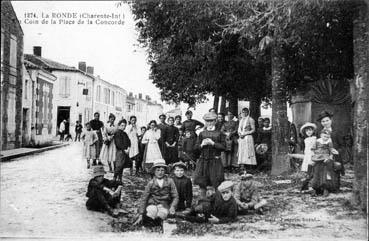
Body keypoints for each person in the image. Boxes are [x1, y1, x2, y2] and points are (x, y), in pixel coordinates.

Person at [135, 161, 178, 225]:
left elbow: (175, 196)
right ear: (154, 171)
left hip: (164, 205)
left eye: (162, 170)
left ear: (165, 171)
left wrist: (172, 206)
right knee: (151, 212)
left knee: (161, 215)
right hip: (153, 204)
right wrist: (141, 213)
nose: (160, 172)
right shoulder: (151, 183)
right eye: (157, 170)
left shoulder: (170, 181)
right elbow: (144, 198)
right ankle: (147, 220)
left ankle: (157, 222)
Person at [194, 112, 226, 198]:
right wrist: (202, 145)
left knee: (216, 181)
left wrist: (213, 143)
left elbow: (224, 147)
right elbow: (196, 148)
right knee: (202, 182)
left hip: (215, 161)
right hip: (204, 161)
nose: (209, 123)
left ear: (215, 121)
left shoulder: (219, 133)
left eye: (211, 121)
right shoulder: (202, 133)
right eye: (207, 121)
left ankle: (217, 201)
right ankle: (203, 201)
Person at [315, 110, 345, 192]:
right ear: (321, 123)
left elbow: (343, 146)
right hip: (322, 157)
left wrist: (338, 151)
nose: (325, 123)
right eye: (323, 121)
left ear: (331, 120)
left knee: (335, 172)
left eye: (327, 120)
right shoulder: (319, 133)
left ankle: (334, 187)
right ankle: (323, 187)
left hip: (335, 157)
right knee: (322, 172)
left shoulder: (337, 132)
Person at [288, 122, 317, 191]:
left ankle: (310, 184)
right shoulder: (305, 140)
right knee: (307, 172)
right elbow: (306, 150)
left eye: (310, 130)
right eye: (307, 131)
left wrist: (314, 150)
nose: (308, 132)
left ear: (313, 131)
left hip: (313, 155)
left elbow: (316, 146)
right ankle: (306, 185)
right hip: (307, 155)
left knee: (312, 171)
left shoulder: (314, 138)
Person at [311, 129, 339, 196]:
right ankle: (316, 189)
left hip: (326, 158)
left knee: (325, 173)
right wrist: (313, 157)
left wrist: (330, 157)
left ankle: (325, 189)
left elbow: (331, 151)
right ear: (321, 135)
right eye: (324, 136)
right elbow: (312, 149)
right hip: (317, 158)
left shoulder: (329, 142)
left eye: (327, 137)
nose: (326, 138)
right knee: (316, 173)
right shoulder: (317, 141)